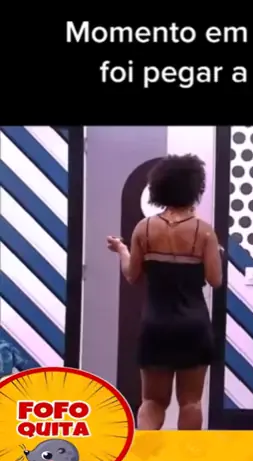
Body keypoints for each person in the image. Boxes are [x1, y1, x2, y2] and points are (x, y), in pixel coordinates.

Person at [106, 154, 222, 430]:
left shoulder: (144, 229)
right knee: (191, 402)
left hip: (156, 324)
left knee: (152, 402)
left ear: (159, 187)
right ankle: (185, 457)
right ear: (195, 188)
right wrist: (214, 253)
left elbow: (132, 275)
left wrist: (121, 250)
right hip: (194, 325)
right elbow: (215, 279)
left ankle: (145, 454)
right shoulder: (205, 232)